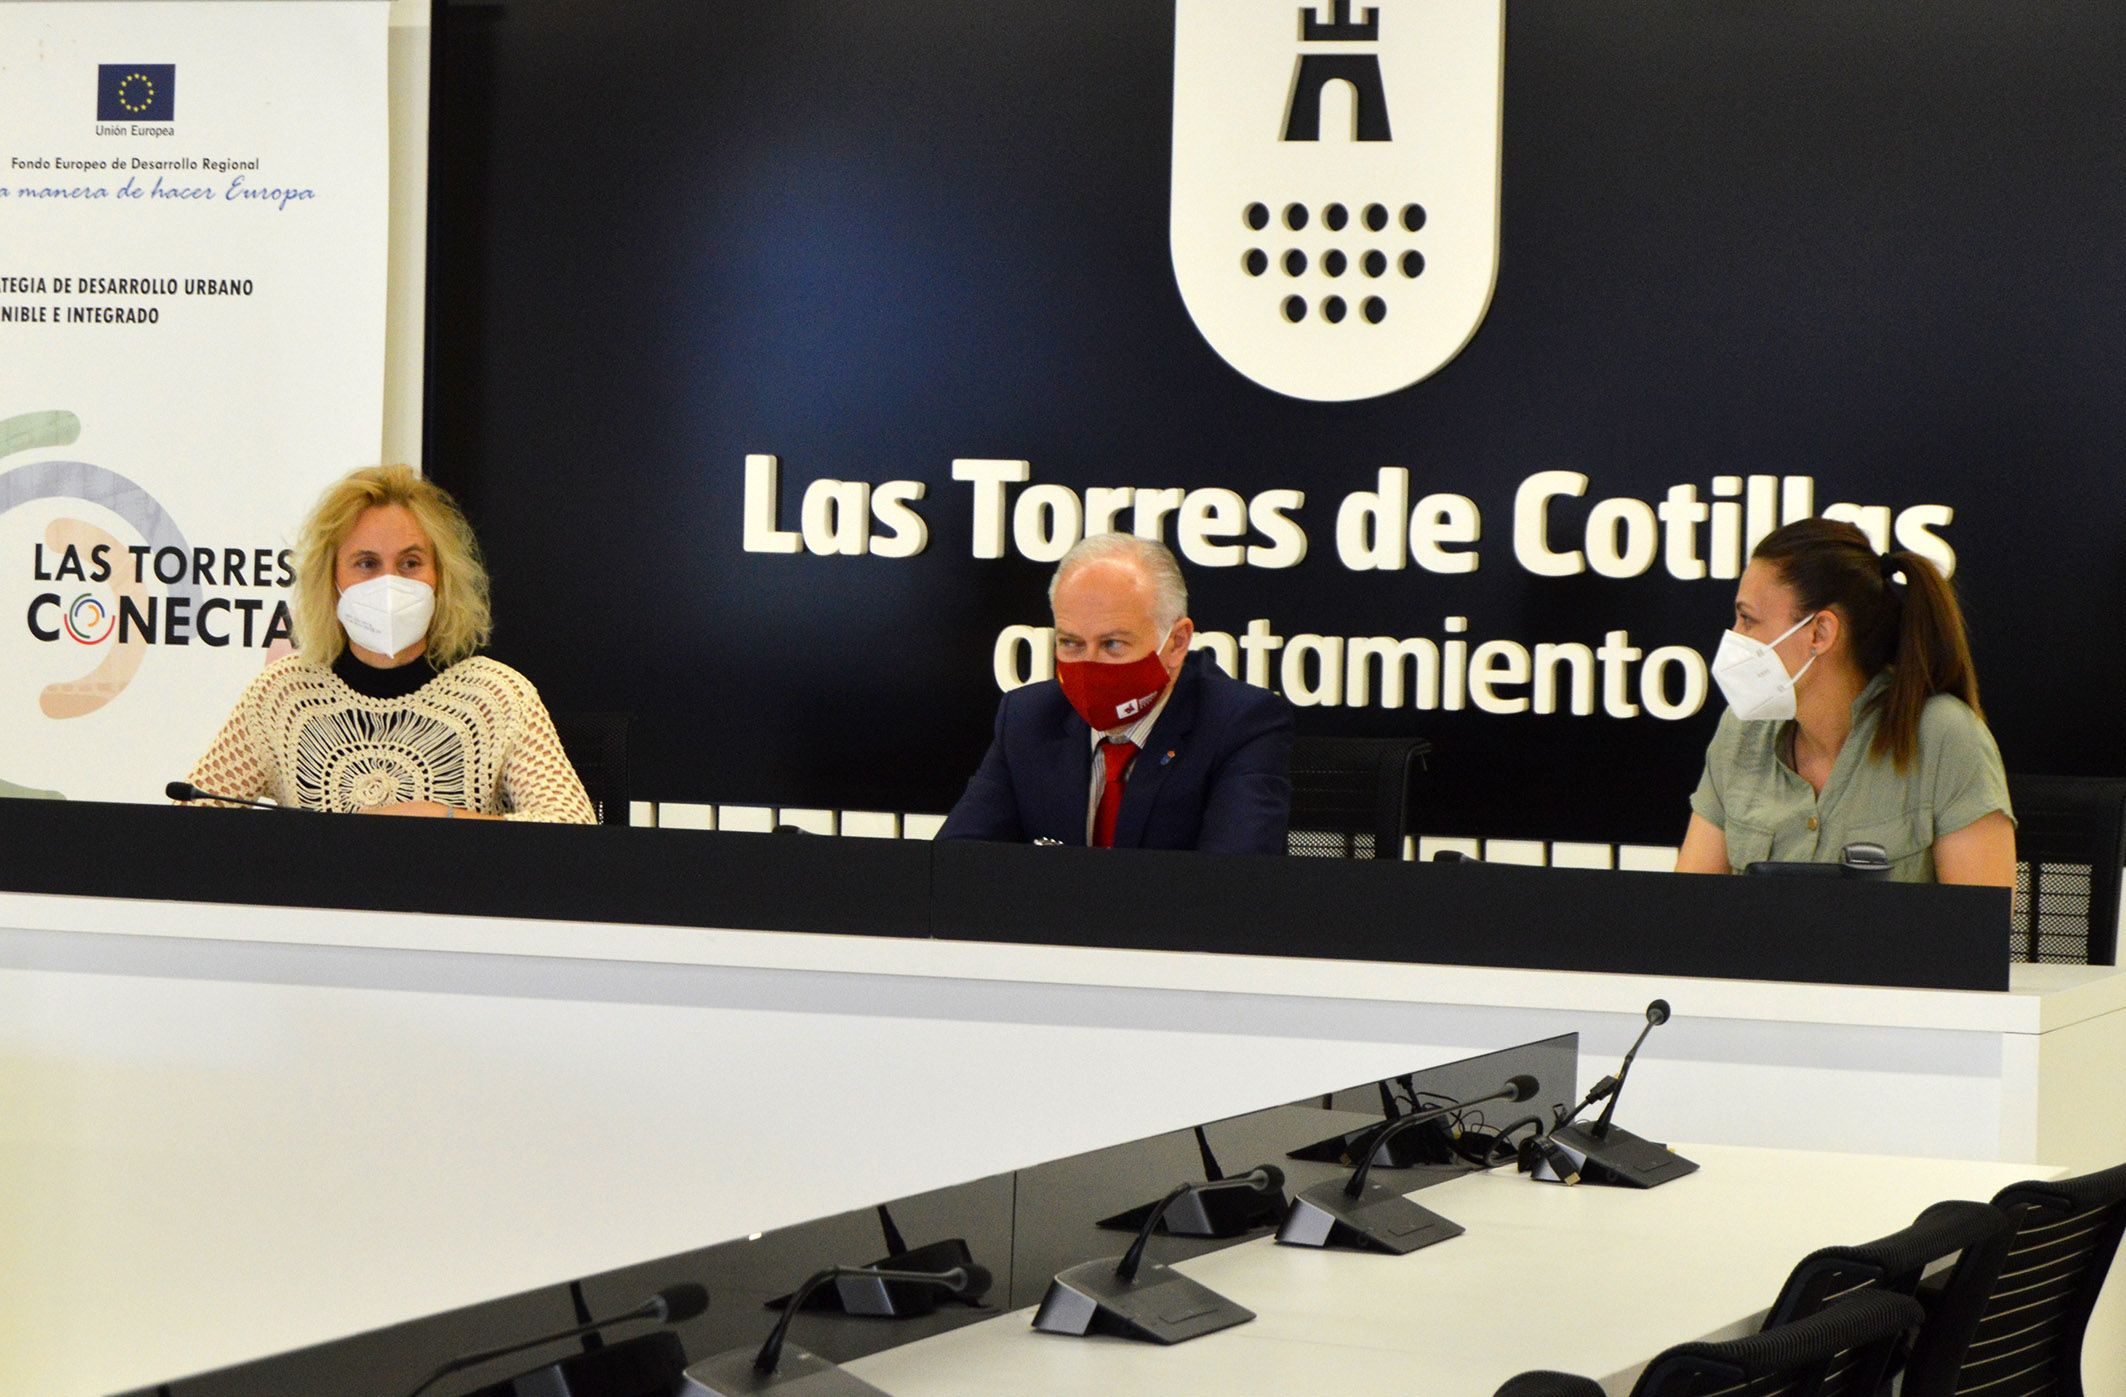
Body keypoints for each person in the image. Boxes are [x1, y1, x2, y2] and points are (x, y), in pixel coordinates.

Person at [181, 465, 595, 822]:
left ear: (440, 576)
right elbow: (190, 826)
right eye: (367, 564)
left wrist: (443, 818)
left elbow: (570, 828)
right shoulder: (282, 694)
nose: (389, 582)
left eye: (410, 563)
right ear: (332, 580)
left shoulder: (498, 695)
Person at [1676, 517, 2013, 884]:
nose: (1734, 636)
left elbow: (1974, 933)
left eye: (1747, 619)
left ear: (1820, 633)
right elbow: (1686, 913)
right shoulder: (1740, 732)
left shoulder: (1945, 736)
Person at [940, 533, 1293, 854]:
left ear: (1177, 642)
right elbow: (954, 865)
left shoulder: (1241, 724)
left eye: (1112, 644)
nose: (1089, 665)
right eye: (1071, 643)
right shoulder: (1027, 717)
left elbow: (1233, 887)